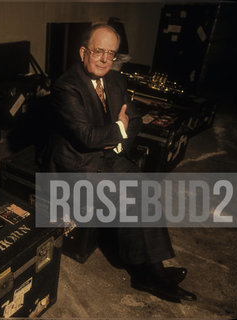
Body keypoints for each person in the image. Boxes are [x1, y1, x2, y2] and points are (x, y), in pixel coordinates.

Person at [41, 23, 197, 303]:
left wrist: (116, 142)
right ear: (83, 52)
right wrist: (117, 130)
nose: (104, 59)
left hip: (107, 154)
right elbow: (87, 137)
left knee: (143, 187)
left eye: (110, 53)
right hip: (76, 165)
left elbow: (133, 121)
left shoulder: (114, 80)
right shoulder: (66, 87)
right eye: (98, 51)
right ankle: (147, 274)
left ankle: (151, 271)